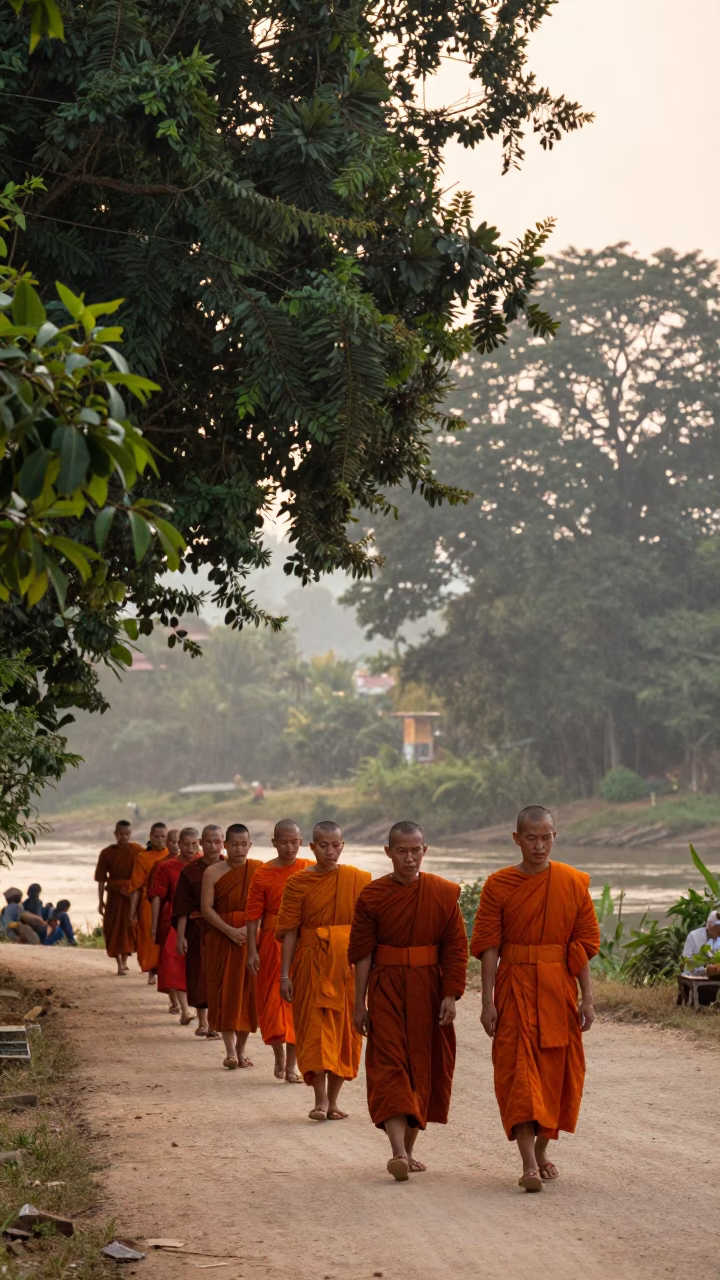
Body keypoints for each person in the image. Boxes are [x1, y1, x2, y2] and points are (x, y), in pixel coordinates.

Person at [470, 806, 600, 1192]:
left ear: (555, 837)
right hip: (514, 986)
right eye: (531, 837)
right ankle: (528, 1162)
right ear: (516, 839)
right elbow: (490, 947)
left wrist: (587, 998)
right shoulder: (498, 885)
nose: (539, 845)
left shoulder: (572, 882)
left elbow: (581, 946)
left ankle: (542, 1148)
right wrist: (487, 1001)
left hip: (558, 988)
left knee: (561, 1076)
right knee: (519, 1073)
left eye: (546, 837)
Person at [349, 821, 469, 1182]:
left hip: (429, 989)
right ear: (388, 852)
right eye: (401, 850)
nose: (409, 857)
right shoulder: (372, 896)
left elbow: (455, 948)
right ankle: (398, 1151)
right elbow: (362, 955)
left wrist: (450, 993)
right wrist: (359, 1004)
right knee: (390, 1065)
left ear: (425, 851)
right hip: (385, 987)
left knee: (424, 1065)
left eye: (415, 850)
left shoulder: (443, 893)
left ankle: (409, 1150)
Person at [276, 821, 371, 1122]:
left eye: (336, 845)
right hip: (310, 963)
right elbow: (289, 931)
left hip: (346, 965)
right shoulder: (298, 882)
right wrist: (284, 975)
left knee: (346, 1032)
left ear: (343, 846)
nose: (331, 851)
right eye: (324, 845)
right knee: (315, 1031)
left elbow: (367, 931)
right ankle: (319, 1101)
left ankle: (333, 1101)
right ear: (312, 847)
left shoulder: (358, 879)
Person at [246, 819, 310, 1082]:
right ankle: (278, 1056)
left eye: (294, 841)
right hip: (271, 942)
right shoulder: (263, 873)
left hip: (301, 943)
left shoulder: (309, 869)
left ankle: (292, 1065)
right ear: (274, 843)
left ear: (301, 842)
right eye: (283, 841)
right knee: (272, 1003)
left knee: (297, 1001)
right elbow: (253, 916)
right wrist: (252, 950)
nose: (289, 847)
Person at [201, 824, 262, 1069]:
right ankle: (229, 1052)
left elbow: (266, 908)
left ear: (250, 845)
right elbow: (206, 909)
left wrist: (252, 932)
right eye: (234, 844)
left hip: (251, 939)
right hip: (222, 937)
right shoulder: (213, 872)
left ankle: (241, 1049)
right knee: (225, 992)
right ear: (225, 845)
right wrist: (229, 931)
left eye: (243, 844)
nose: (239, 849)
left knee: (248, 993)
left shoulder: (259, 871)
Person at [173, 824, 225, 1039]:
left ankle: (217, 1021)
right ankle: (204, 1022)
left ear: (224, 843)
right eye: (208, 841)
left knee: (221, 976)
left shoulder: (233, 867)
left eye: (217, 841)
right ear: (201, 843)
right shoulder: (190, 870)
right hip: (198, 930)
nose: (212, 846)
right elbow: (182, 906)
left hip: (226, 929)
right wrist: (180, 936)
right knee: (200, 975)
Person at [150, 827, 200, 1023]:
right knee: (174, 961)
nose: (190, 848)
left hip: (200, 918)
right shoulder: (167, 867)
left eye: (194, 844)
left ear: (200, 844)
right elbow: (157, 897)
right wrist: (154, 924)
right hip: (173, 917)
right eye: (186, 844)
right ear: (179, 845)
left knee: (197, 965)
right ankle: (185, 1010)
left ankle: (203, 1015)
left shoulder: (207, 864)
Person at [94, 821, 144, 974]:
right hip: (114, 896)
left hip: (132, 896)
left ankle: (124, 961)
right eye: (121, 834)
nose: (124, 837)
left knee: (128, 927)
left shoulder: (138, 851)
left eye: (127, 834)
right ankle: (119, 964)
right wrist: (100, 901)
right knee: (114, 928)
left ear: (130, 834)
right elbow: (101, 879)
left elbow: (145, 872)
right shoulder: (107, 853)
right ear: (116, 834)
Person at [128, 822, 172, 984]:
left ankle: (165, 970)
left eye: (163, 837)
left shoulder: (172, 855)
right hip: (147, 903)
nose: (160, 840)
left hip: (169, 902)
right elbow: (136, 887)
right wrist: (132, 911)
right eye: (156, 836)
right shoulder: (144, 858)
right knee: (149, 937)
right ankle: (152, 970)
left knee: (167, 937)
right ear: (150, 837)